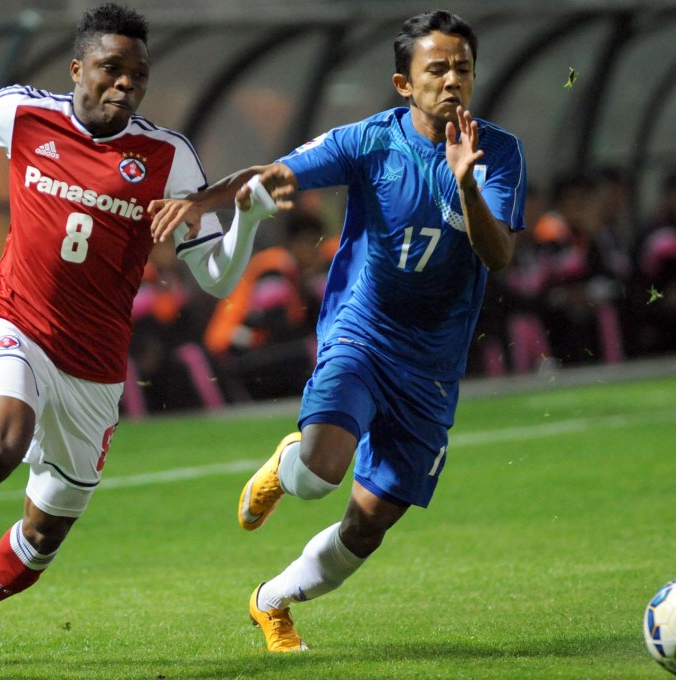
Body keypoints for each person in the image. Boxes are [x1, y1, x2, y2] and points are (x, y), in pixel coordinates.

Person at [0, 3, 280, 670]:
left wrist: (246, 220)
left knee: (43, 536)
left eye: (138, 74)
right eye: (111, 68)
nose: (125, 83)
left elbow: (216, 278)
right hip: (14, 320)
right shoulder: (23, 113)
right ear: (77, 68)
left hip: (94, 366)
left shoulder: (167, 158)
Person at [150, 9, 526, 653]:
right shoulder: (369, 141)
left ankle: (272, 600)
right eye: (437, 69)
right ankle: (288, 463)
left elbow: (498, 256)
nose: (452, 80)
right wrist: (201, 202)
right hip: (362, 334)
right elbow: (274, 173)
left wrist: (465, 181)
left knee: (367, 527)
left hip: (432, 365)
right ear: (404, 84)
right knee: (320, 472)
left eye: (462, 68)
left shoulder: (499, 151)